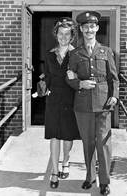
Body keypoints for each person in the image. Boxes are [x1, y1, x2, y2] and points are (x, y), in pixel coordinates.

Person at [66, 11, 119, 195]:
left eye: (92, 26)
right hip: (82, 106)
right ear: (81, 29)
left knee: (103, 143)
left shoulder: (106, 51)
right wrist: (79, 83)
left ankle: (104, 182)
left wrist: (115, 96)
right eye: (85, 27)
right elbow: (69, 77)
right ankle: (90, 177)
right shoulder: (75, 54)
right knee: (88, 142)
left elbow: (114, 78)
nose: (89, 29)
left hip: (104, 104)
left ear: (97, 28)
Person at [44, 17, 80, 189]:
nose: (63, 37)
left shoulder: (77, 54)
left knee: (67, 135)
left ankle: (66, 160)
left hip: (70, 99)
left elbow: (83, 76)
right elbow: (47, 76)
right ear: (56, 34)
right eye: (61, 34)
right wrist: (44, 87)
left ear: (72, 36)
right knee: (54, 135)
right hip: (53, 100)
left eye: (67, 34)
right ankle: (54, 171)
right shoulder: (49, 54)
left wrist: (77, 78)